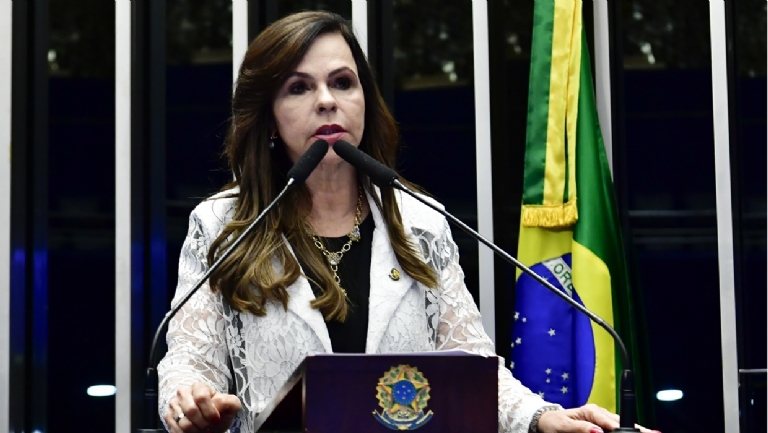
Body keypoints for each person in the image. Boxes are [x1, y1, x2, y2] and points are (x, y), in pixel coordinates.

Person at [157, 10, 656, 433]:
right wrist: (190, 402)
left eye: (342, 82)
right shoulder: (224, 225)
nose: (327, 100)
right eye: (299, 88)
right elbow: (187, 362)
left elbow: (472, 368)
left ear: (365, 102)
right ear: (269, 117)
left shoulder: (420, 222)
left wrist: (541, 418)